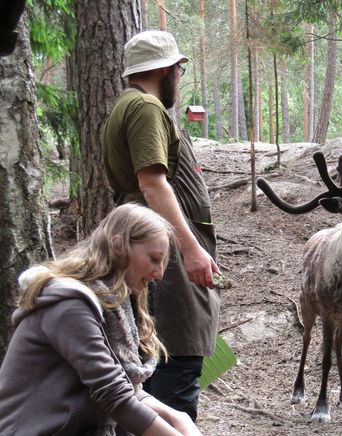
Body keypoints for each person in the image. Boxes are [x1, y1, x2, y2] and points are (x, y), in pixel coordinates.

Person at [0, 204, 201, 436]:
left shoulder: (115, 307)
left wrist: (177, 416)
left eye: (163, 262)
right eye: (154, 258)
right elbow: (113, 392)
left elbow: (127, 388)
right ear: (118, 246)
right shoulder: (69, 304)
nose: (159, 273)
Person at [102, 30, 220, 421]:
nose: (180, 79)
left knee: (158, 360)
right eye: (180, 71)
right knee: (177, 363)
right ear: (168, 70)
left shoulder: (129, 106)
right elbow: (152, 182)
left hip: (154, 242)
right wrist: (190, 249)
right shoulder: (146, 108)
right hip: (163, 249)